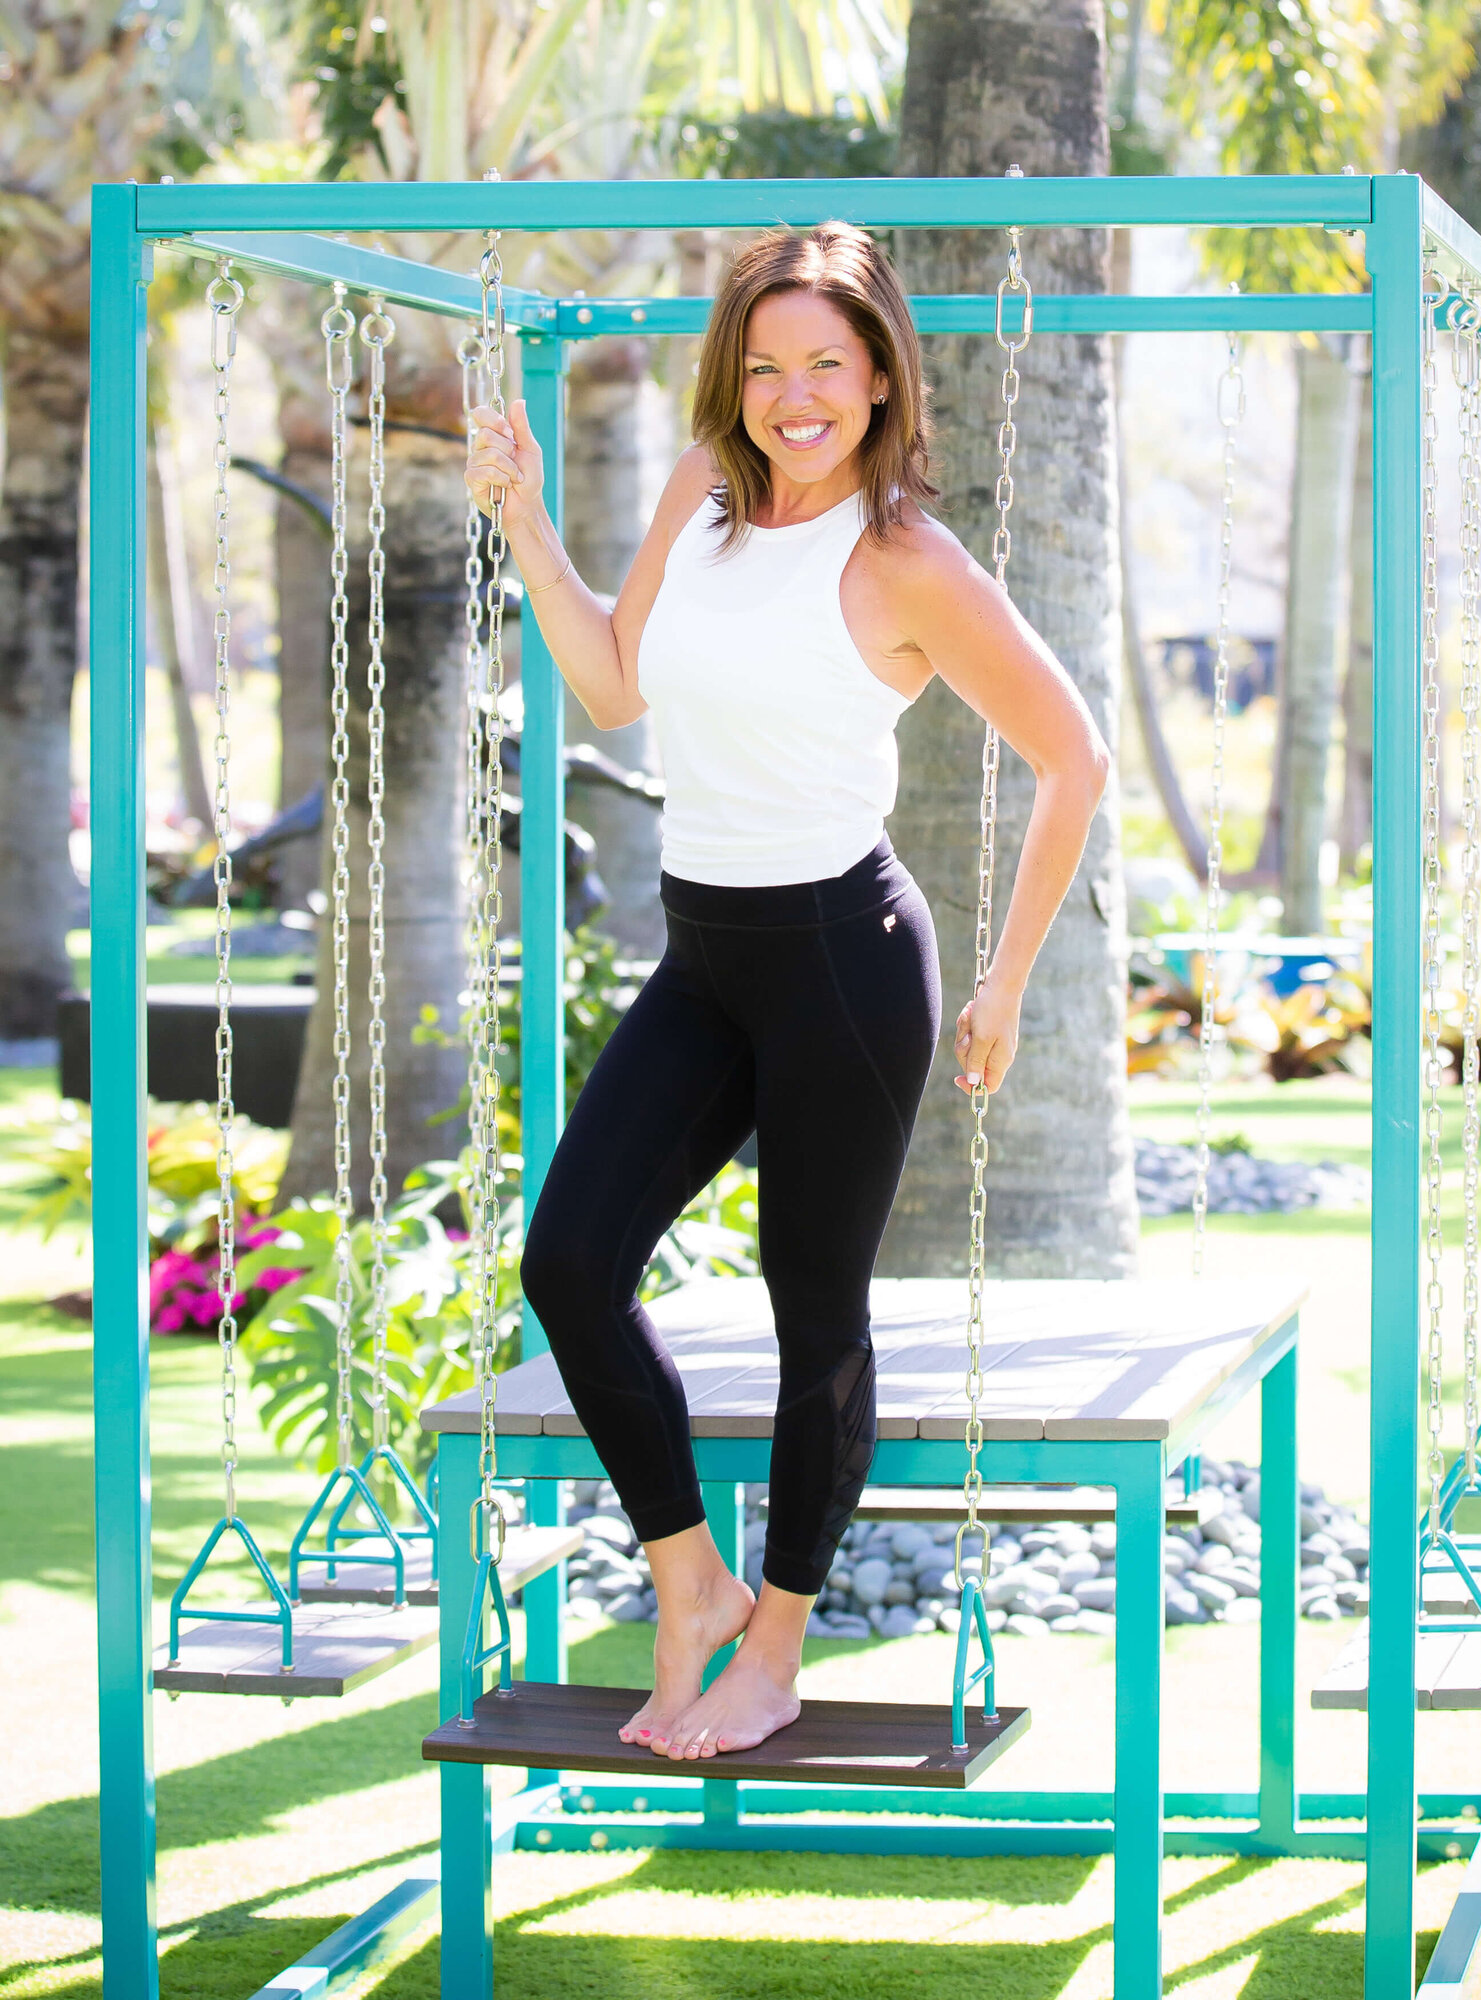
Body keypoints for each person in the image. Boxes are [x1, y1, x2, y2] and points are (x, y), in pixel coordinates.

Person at [464, 221, 1109, 1762]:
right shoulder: (700, 490)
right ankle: (688, 1582)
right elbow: (615, 684)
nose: (793, 395)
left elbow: (1073, 755)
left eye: (827, 362)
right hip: (705, 951)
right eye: (765, 367)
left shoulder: (907, 560)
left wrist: (1010, 979)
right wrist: (523, 518)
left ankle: (778, 1643)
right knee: (570, 1264)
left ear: (883, 373)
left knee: (813, 1309)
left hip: (843, 959)